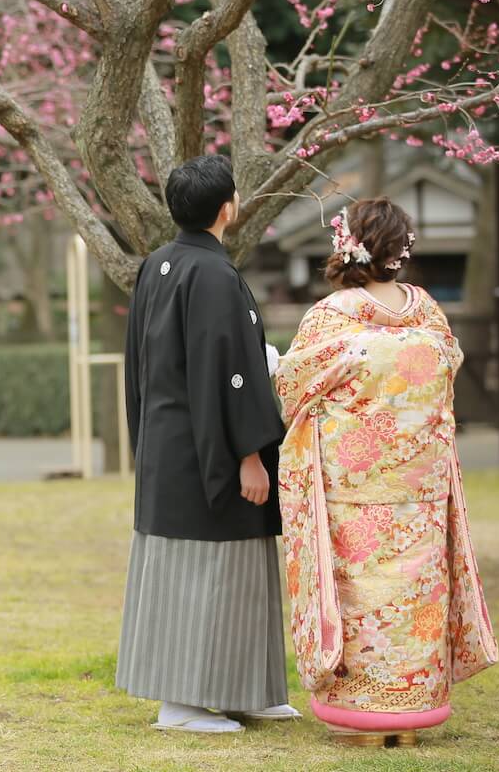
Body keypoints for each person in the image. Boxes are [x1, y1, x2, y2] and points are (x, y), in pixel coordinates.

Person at [274, 198, 499, 745]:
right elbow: (444, 380)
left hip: (353, 491)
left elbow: (292, 387)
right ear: (402, 249)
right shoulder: (429, 314)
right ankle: (413, 708)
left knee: (364, 600)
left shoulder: (330, 316)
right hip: (421, 492)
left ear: (346, 245)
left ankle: (364, 714)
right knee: (418, 598)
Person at [116, 155, 299, 733]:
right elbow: (230, 370)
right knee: (208, 572)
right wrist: (249, 455)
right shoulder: (214, 274)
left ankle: (245, 690)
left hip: (168, 444)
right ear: (228, 208)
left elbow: (144, 363)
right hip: (210, 451)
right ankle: (182, 703)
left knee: (222, 570)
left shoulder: (157, 265)